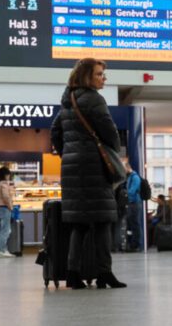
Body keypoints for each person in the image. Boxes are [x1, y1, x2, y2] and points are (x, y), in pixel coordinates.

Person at [50, 58, 126, 289]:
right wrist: (113, 149)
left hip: (72, 167)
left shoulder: (68, 100)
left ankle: (73, 273)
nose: (104, 78)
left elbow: (55, 131)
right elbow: (109, 131)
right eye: (99, 74)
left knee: (79, 224)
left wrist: (68, 153)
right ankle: (105, 273)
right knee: (103, 220)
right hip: (93, 166)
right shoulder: (94, 98)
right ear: (86, 76)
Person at [0, 167, 15, 258]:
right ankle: (4, 250)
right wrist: (10, 206)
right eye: (8, 175)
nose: (9, 177)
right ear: (5, 175)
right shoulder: (4, 184)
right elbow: (6, 196)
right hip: (4, 208)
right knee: (5, 230)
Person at [124, 163, 143, 252]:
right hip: (131, 203)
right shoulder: (130, 177)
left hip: (135, 203)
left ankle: (137, 245)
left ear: (128, 168)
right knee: (132, 224)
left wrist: (126, 194)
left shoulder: (135, 177)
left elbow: (132, 191)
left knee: (135, 224)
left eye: (124, 169)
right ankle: (132, 244)